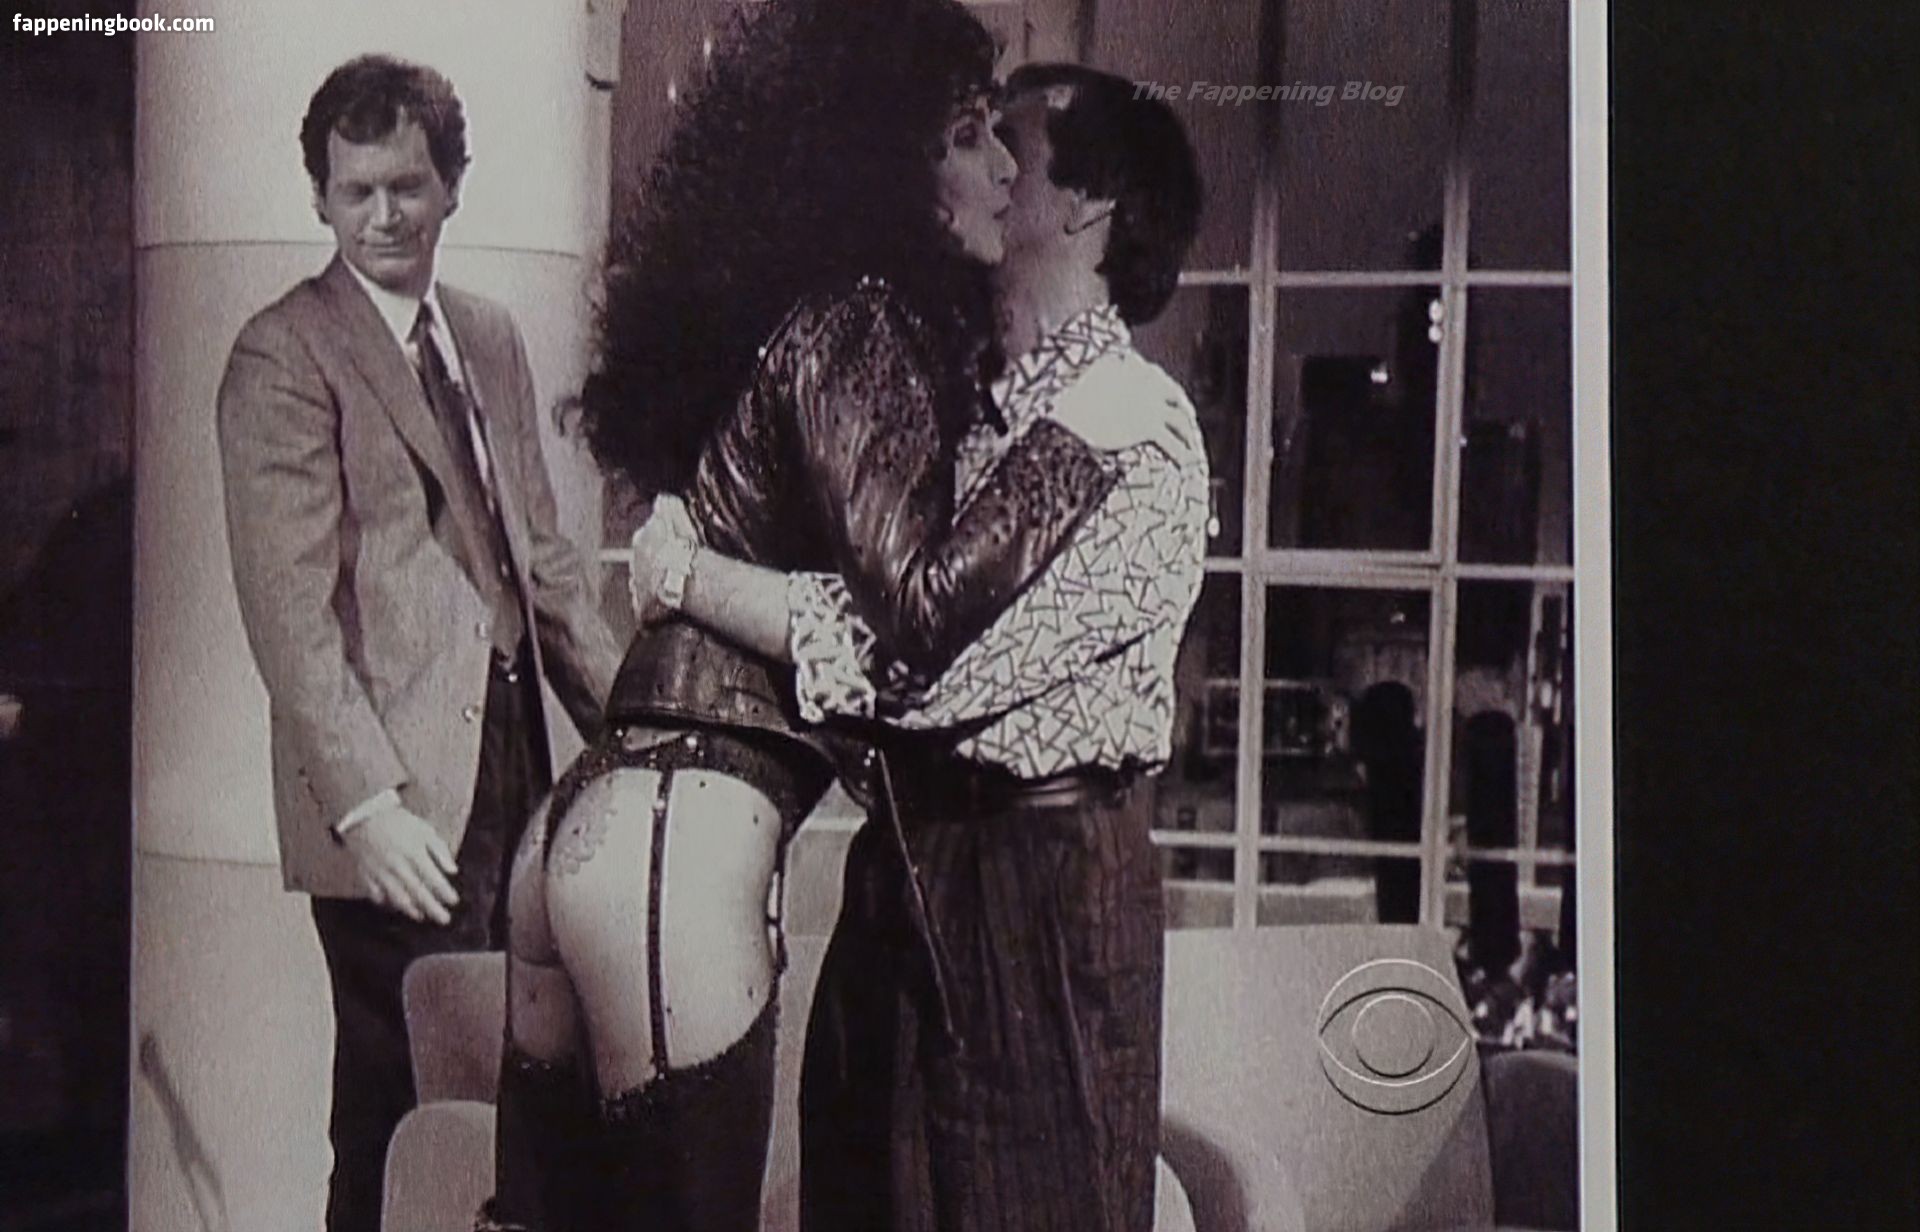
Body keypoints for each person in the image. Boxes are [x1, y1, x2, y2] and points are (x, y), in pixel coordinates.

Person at [483, 5, 1186, 1230]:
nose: (999, 165)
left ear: (1089, 209)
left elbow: (921, 667)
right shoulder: (875, 336)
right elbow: (918, 629)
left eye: (1008, 140)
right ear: (886, 161)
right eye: (970, 136)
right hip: (705, 835)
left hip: (643, 826)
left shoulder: (1112, 417)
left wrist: (693, 578)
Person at [214, 56, 621, 1232]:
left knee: (498, 1102)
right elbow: (290, 613)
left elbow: (543, 560)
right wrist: (366, 807)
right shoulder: (284, 352)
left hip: (510, 774)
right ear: (320, 197)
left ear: (452, 183)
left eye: (406, 185)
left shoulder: (485, 334)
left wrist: (638, 722)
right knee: (397, 1111)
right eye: (356, 192)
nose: (382, 215)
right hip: (394, 806)